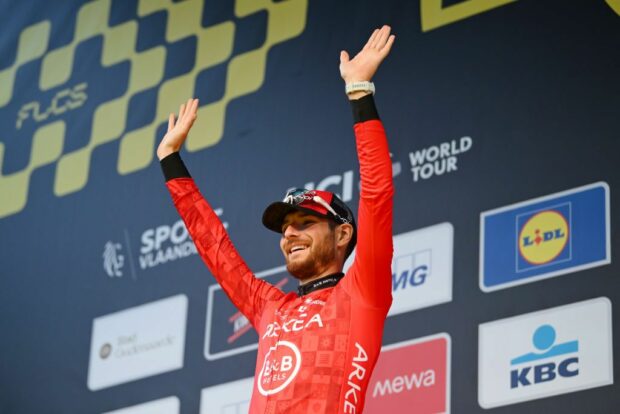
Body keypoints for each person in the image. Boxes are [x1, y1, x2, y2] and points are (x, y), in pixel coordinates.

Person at [157, 25, 395, 414]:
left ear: (343, 234)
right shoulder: (272, 307)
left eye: (305, 222)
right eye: (285, 226)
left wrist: (359, 92)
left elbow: (377, 194)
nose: (289, 232)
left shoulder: (362, 290)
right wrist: (171, 162)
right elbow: (214, 247)